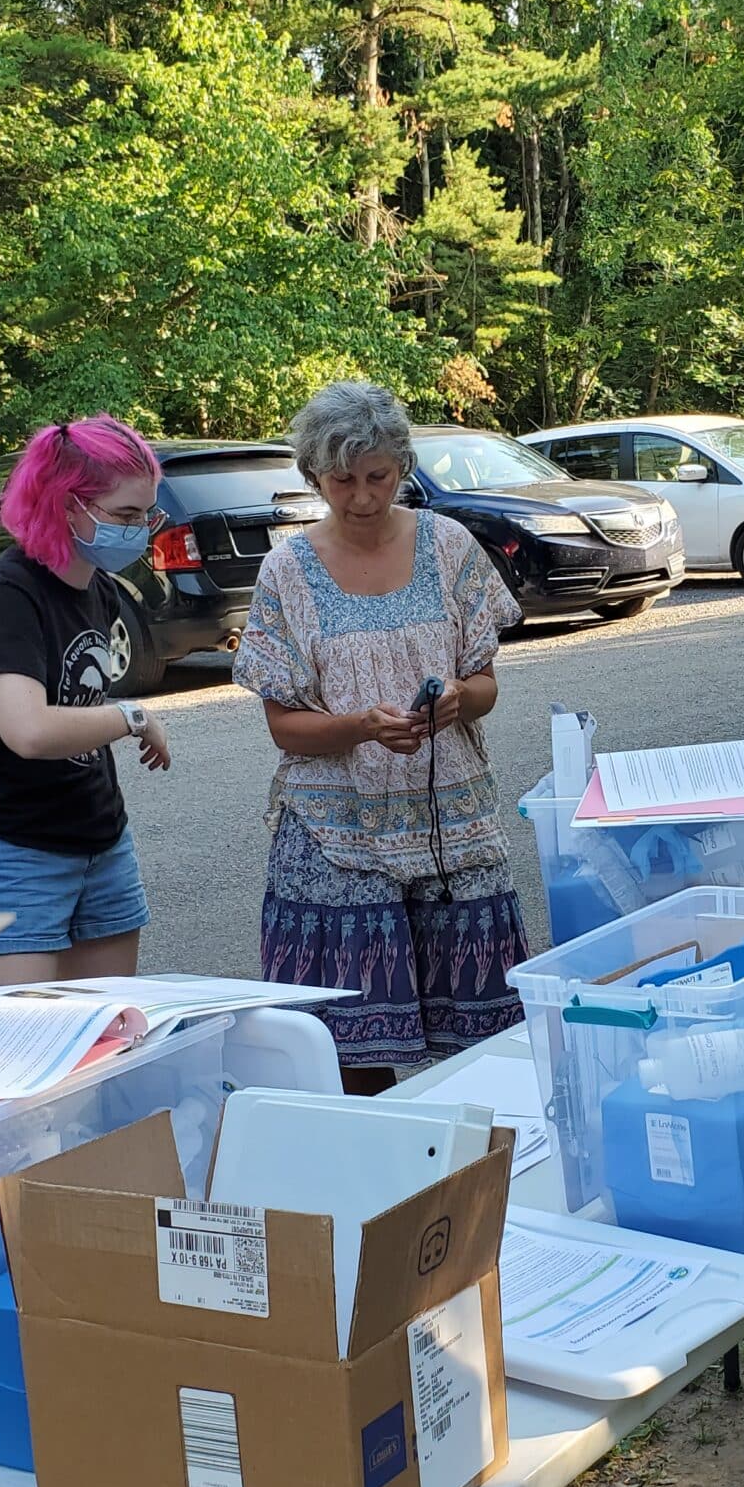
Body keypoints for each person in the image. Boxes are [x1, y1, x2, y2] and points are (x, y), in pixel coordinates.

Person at [233, 380, 529, 1091]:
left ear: (403, 468)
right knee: (348, 1050)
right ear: (313, 475)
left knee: (479, 1041)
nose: (362, 497)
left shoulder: (449, 546)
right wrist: (361, 728)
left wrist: (460, 699)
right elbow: (284, 727)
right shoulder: (287, 571)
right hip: (334, 835)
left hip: (450, 825)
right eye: (341, 481)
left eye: (379, 478)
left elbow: (486, 684)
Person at [0, 417, 173, 988]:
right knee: (21, 1054)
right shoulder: (9, 589)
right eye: (124, 515)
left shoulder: (100, 588)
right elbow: (28, 730)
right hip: (10, 851)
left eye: (147, 514)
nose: (140, 530)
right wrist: (131, 716)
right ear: (67, 506)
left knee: (108, 1044)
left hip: (101, 841)